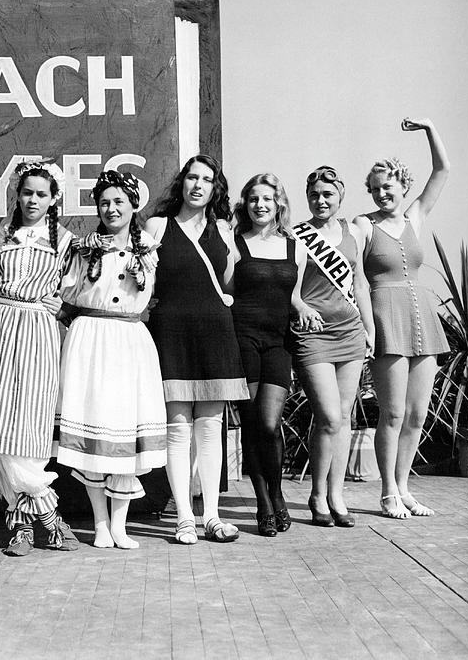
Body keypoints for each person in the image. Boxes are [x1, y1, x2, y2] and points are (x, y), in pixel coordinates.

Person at [0, 160, 79, 557]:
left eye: (41, 194)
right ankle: (36, 522)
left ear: (54, 198)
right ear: (17, 194)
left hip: (38, 331)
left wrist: (58, 306)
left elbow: (71, 294)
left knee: (29, 423)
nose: (33, 200)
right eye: (27, 192)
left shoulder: (65, 242)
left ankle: (29, 521)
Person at [56, 170, 167, 549]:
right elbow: (66, 294)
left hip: (129, 341)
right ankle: (100, 523)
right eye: (104, 202)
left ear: (134, 205)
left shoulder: (149, 248)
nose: (111, 208)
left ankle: (120, 525)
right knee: (95, 426)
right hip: (91, 340)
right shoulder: (84, 248)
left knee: (124, 431)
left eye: (119, 201)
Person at [144, 155, 249, 545]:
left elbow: (229, 284)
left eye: (207, 179)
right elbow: (144, 282)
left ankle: (212, 516)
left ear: (215, 188)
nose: (198, 185)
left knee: (210, 429)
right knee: (177, 430)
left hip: (214, 334)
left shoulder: (223, 228)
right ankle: (183, 517)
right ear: (182, 182)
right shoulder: (157, 226)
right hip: (171, 332)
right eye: (192, 177)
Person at [353, 118, 450, 519]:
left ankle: (405, 487)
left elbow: (443, 170)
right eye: (374, 189)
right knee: (391, 413)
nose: (381, 193)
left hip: (423, 319)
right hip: (386, 320)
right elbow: (349, 268)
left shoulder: (415, 218)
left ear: (402, 185)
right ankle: (388, 491)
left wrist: (429, 127)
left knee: (417, 414)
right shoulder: (363, 224)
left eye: (387, 186)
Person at [232, 173, 318, 536]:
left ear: (278, 203)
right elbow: (227, 290)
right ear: (245, 204)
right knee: (252, 423)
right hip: (244, 338)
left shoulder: (294, 246)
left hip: (278, 341)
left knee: (270, 422)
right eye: (253, 199)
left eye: (267, 199)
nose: (260, 205)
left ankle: (277, 492)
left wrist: (303, 308)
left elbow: (292, 294)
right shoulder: (236, 244)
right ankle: (263, 503)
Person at [290, 166, 374, 528]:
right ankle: (317, 494)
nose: (321, 200)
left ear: (340, 197)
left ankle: (335, 495)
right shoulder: (297, 235)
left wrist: (370, 328)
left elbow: (361, 284)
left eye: (328, 194)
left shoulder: (352, 233)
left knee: (344, 418)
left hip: (349, 332)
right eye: (314, 195)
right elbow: (289, 288)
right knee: (329, 416)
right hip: (314, 334)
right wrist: (301, 307)